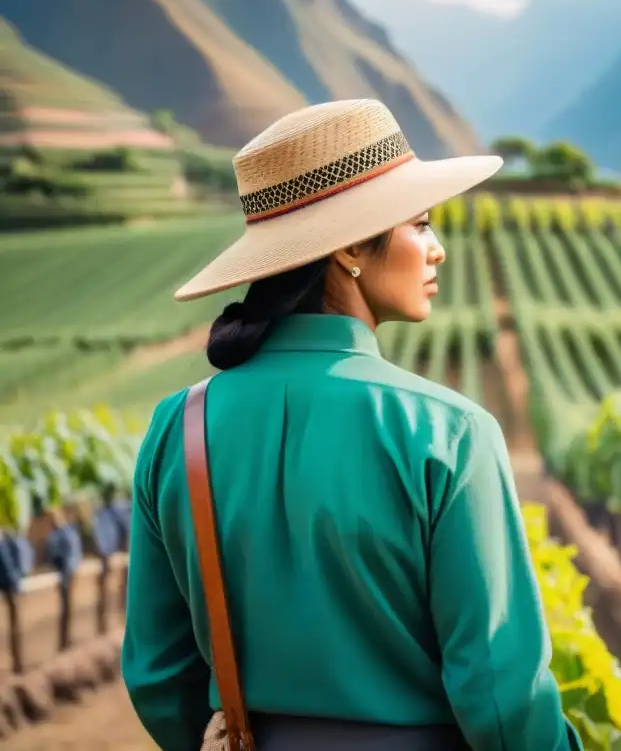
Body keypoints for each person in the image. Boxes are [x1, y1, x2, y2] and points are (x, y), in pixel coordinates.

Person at [121, 99, 584, 751]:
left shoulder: (177, 427)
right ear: (348, 251)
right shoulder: (449, 433)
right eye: (420, 224)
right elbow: (503, 698)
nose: (438, 249)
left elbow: (156, 674)